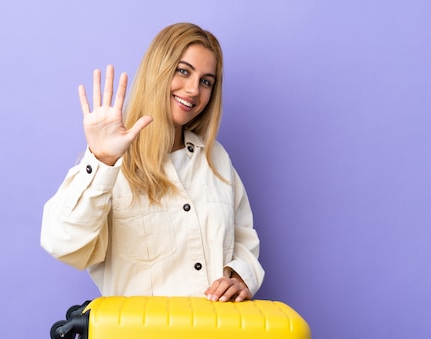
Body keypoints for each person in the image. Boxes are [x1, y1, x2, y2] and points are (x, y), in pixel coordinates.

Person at [40, 22, 264, 302]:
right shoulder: (110, 163)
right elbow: (63, 243)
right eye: (183, 71)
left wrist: (239, 276)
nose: (194, 90)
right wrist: (102, 160)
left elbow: (243, 237)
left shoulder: (215, 158)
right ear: (158, 69)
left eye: (206, 81)